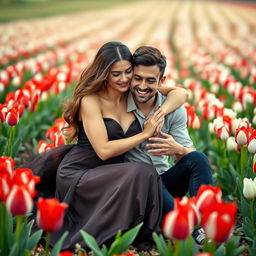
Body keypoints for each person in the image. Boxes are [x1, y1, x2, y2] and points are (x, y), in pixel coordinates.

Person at [26, 41, 188, 251]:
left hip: (113, 172)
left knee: (147, 172)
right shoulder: (91, 100)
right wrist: (145, 133)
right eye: (115, 74)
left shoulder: (133, 90)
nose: (124, 79)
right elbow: (103, 151)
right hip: (81, 173)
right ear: (104, 74)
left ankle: (183, 223)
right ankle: (184, 223)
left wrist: (161, 112)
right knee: (144, 172)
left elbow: (181, 93)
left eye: (128, 72)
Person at [123, 46, 213, 245]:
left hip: (165, 181)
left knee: (198, 158)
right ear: (130, 77)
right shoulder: (119, 104)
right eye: (137, 78)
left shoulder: (173, 110)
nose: (142, 86)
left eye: (150, 80)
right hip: (136, 186)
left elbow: (187, 154)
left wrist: (179, 150)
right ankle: (189, 229)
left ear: (162, 81)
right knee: (146, 176)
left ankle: (206, 226)